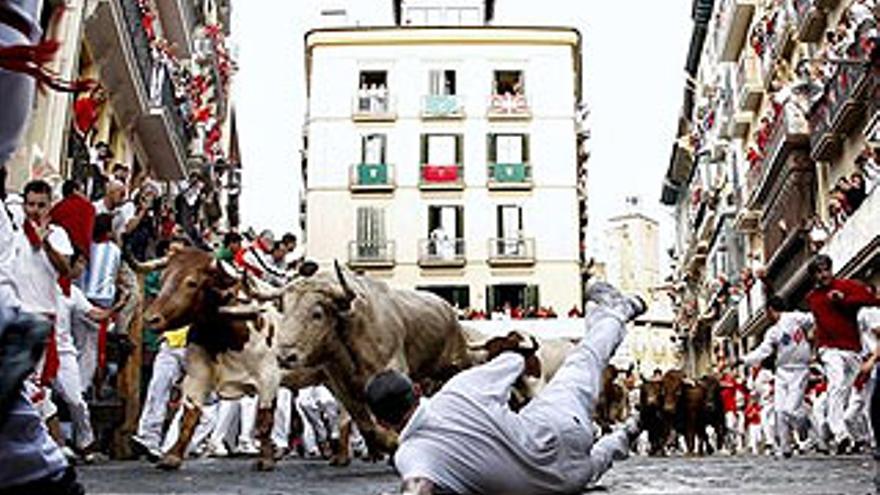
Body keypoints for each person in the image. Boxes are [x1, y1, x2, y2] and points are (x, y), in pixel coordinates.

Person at [367, 282, 646, 495]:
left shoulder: (412, 455)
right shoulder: (458, 391)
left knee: (595, 463)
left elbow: (418, 487)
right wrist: (510, 349)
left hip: (560, 484)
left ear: (380, 421)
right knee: (583, 361)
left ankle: (624, 436)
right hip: (561, 428)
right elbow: (515, 361)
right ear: (417, 391)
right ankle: (617, 312)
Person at [805, 254, 879, 453]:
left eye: (826, 270)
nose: (823, 275)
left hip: (853, 349)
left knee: (856, 392)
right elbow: (818, 324)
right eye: (818, 272)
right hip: (829, 349)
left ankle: (862, 437)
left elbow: (872, 299)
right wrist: (816, 350)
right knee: (836, 384)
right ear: (813, 276)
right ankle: (840, 433)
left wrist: (845, 299)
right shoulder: (812, 298)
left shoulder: (847, 286)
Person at [740, 295, 814, 457]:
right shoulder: (772, 332)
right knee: (779, 410)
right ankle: (785, 447)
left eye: (766, 312)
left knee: (791, 409)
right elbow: (763, 351)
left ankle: (806, 430)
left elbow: (813, 318)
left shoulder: (795, 317)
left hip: (800, 369)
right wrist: (743, 360)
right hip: (782, 371)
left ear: (771, 310)